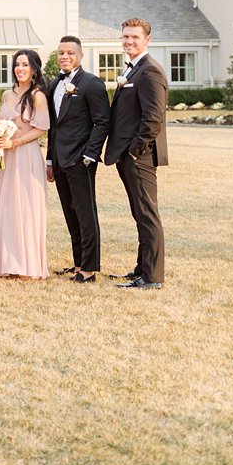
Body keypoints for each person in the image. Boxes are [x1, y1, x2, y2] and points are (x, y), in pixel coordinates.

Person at [105, 17, 168, 290]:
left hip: (139, 157)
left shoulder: (150, 71)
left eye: (134, 37)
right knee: (138, 213)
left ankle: (152, 277)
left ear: (147, 40)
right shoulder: (133, 70)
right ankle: (142, 269)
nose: (129, 41)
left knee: (147, 214)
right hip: (127, 155)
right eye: (125, 36)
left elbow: (154, 118)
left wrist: (134, 150)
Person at [0, 50, 50, 279]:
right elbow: (1, 121)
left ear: (34, 70)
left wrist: (15, 142)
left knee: (25, 207)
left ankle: (24, 264)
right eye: (17, 64)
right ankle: (4, 260)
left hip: (26, 155)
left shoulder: (38, 95)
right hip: (8, 157)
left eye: (25, 65)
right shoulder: (8, 95)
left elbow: (41, 128)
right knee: (8, 205)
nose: (20, 68)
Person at [46, 35, 109, 282]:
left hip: (81, 160)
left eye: (70, 52)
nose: (65, 56)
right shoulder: (54, 84)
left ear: (80, 55)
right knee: (69, 212)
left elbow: (102, 122)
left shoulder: (92, 84)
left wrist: (89, 155)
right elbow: (54, 126)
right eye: (61, 52)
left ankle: (90, 268)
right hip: (60, 160)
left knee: (85, 213)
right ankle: (78, 262)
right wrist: (50, 160)